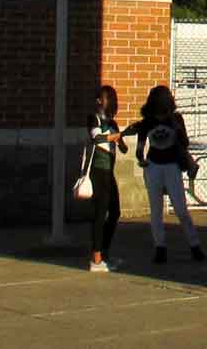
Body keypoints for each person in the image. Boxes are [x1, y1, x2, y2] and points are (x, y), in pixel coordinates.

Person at [123, 85, 204, 263]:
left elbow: (185, 142)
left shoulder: (176, 119)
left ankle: (194, 245)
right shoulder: (148, 122)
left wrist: (177, 128)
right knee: (156, 209)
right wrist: (141, 159)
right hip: (153, 165)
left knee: (181, 208)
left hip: (172, 165)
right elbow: (140, 146)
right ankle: (160, 247)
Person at [86, 85, 128, 273]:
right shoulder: (93, 119)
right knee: (100, 212)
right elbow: (97, 138)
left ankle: (104, 251)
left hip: (109, 171)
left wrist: (122, 138)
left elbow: (123, 147)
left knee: (115, 211)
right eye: (106, 98)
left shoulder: (113, 122)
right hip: (97, 169)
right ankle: (95, 258)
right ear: (98, 101)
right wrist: (115, 136)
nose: (109, 102)